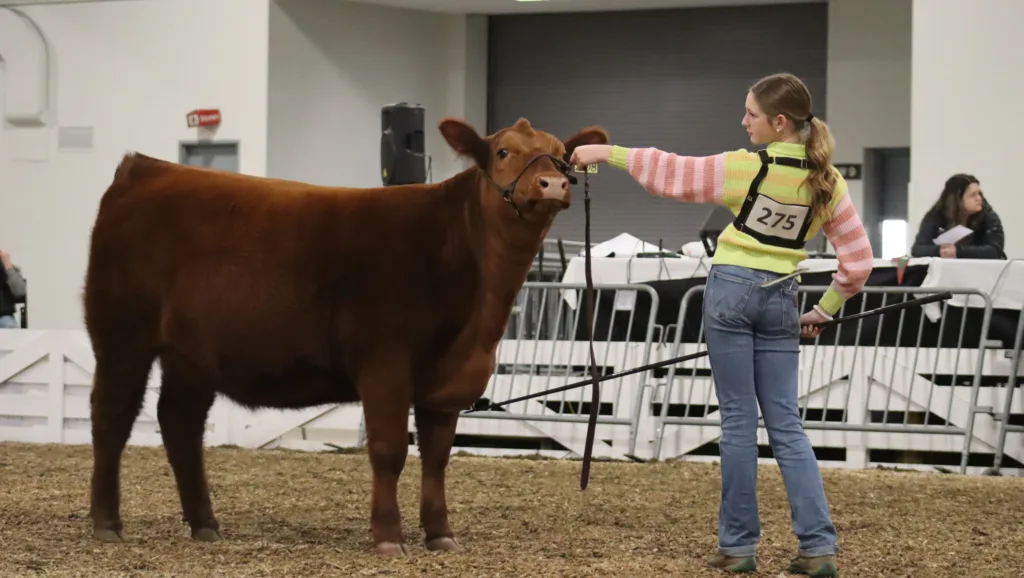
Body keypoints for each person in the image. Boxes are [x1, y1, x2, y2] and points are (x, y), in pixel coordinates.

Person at [570, 72, 873, 577]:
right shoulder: (828, 182)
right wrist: (823, 310)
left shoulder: (744, 168)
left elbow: (674, 172)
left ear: (779, 123)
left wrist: (607, 153)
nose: (743, 121)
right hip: (783, 298)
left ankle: (738, 547)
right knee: (787, 427)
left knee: (737, 422)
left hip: (731, 291)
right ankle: (818, 549)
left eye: (751, 113)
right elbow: (858, 263)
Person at [910, 173, 1005, 259]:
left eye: (979, 194)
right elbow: (917, 250)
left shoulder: (988, 216)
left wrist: (958, 251)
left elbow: (995, 251)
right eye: (972, 195)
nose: (979, 198)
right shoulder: (937, 216)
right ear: (957, 199)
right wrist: (941, 250)